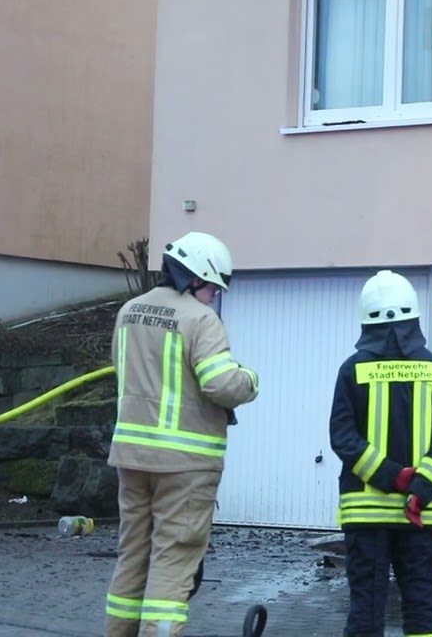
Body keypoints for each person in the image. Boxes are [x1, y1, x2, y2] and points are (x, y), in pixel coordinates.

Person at [103, 231, 260, 637]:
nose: (214, 296)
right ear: (195, 277)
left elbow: (124, 371)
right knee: (173, 562)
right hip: (185, 465)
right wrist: (249, 380)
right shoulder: (200, 319)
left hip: (132, 457)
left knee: (132, 555)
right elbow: (221, 384)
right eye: (213, 287)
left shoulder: (129, 311)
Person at [329, 269, 432, 637]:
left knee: (366, 612)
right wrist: (420, 489)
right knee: (422, 609)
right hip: (422, 515)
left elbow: (343, 437)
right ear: (413, 316)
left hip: (365, 515)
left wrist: (392, 477)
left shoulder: (351, 371)